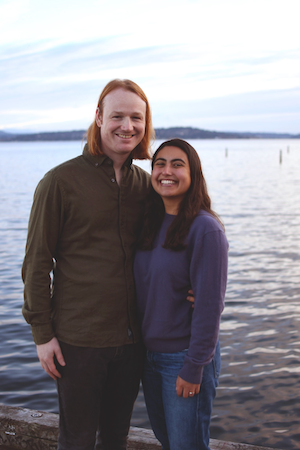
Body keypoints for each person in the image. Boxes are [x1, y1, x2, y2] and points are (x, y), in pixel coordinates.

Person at [22, 79, 154, 450]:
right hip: (78, 342)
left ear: (145, 124)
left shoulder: (145, 186)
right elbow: (36, 263)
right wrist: (42, 335)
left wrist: (191, 286)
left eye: (135, 117)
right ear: (98, 118)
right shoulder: (60, 182)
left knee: (116, 438)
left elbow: (166, 251)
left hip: (132, 341)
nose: (126, 126)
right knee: (77, 440)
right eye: (117, 116)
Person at [134, 138, 228, 450]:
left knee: (186, 445)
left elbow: (209, 308)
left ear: (193, 174)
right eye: (159, 163)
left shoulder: (205, 229)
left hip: (183, 357)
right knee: (166, 440)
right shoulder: (150, 221)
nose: (166, 171)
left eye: (177, 164)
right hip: (149, 357)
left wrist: (193, 366)